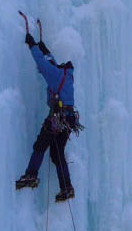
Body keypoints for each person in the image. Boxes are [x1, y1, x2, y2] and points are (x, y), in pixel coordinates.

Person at [16, 30, 82, 202]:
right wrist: (45, 50)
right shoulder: (67, 77)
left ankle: (31, 175)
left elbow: (45, 65)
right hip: (68, 120)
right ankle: (67, 188)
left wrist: (32, 46)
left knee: (40, 145)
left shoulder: (57, 74)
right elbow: (51, 63)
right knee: (57, 153)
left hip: (57, 118)